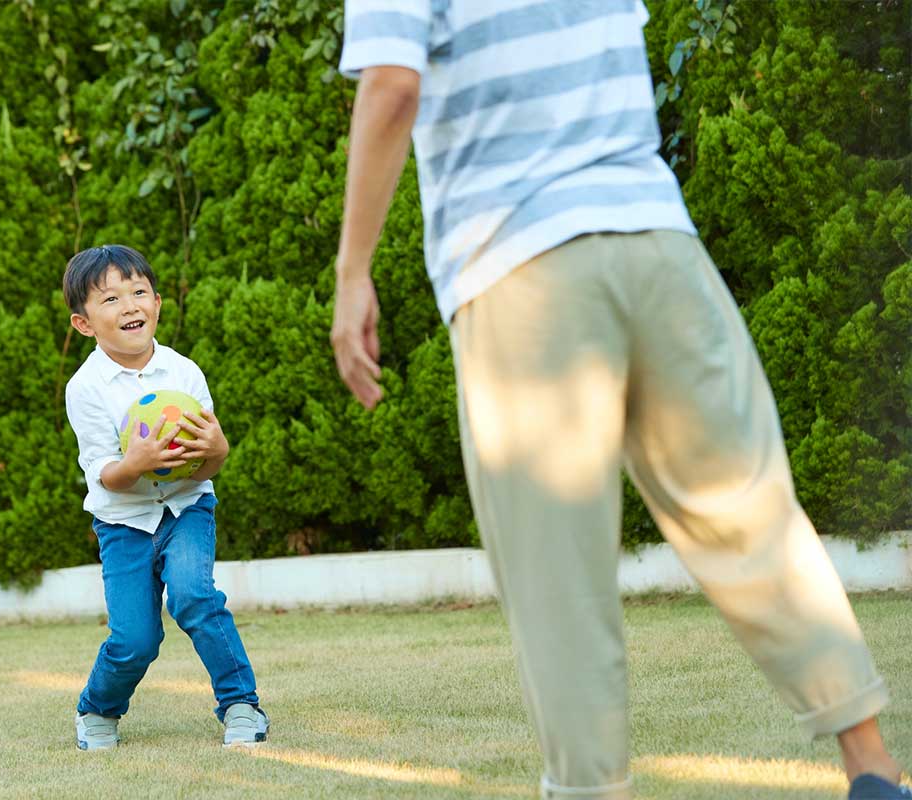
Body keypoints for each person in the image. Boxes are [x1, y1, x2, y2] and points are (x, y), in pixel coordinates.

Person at [330, 2, 906, 798]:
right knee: (749, 511)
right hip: (659, 246)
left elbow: (393, 85)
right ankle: (873, 768)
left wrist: (352, 270)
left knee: (556, 578)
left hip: (523, 266)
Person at [62, 244, 268, 750]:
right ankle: (97, 710)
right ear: (84, 323)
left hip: (187, 507)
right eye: (109, 299)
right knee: (136, 640)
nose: (129, 306)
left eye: (138, 292)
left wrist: (219, 449)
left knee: (195, 597)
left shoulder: (184, 373)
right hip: (123, 525)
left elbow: (209, 458)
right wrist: (137, 461)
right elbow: (105, 474)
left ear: (157, 303)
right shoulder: (85, 388)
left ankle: (241, 705)